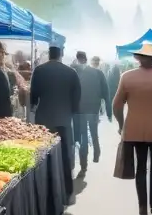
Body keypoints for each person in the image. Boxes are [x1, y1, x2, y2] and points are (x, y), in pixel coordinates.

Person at [112, 43, 152, 215]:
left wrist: (120, 124)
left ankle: (142, 207)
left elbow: (116, 105)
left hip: (135, 130)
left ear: (137, 58)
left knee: (141, 167)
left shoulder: (127, 77)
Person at [31, 45, 81, 199]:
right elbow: (77, 95)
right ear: (61, 55)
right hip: (64, 120)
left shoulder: (39, 71)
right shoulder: (71, 72)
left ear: (49, 55)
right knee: (65, 154)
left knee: (45, 155)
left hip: (44, 119)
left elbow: (34, 95)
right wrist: (71, 112)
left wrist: (34, 106)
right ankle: (67, 189)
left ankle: (47, 190)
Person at [72, 52, 112, 173]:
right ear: (87, 59)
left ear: (77, 59)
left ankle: (84, 165)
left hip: (80, 110)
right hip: (94, 109)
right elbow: (106, 92)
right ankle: (96, 153)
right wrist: (109, 112)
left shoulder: (75, 73)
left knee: (84, 135)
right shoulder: (98, 73)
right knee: (94, 132)